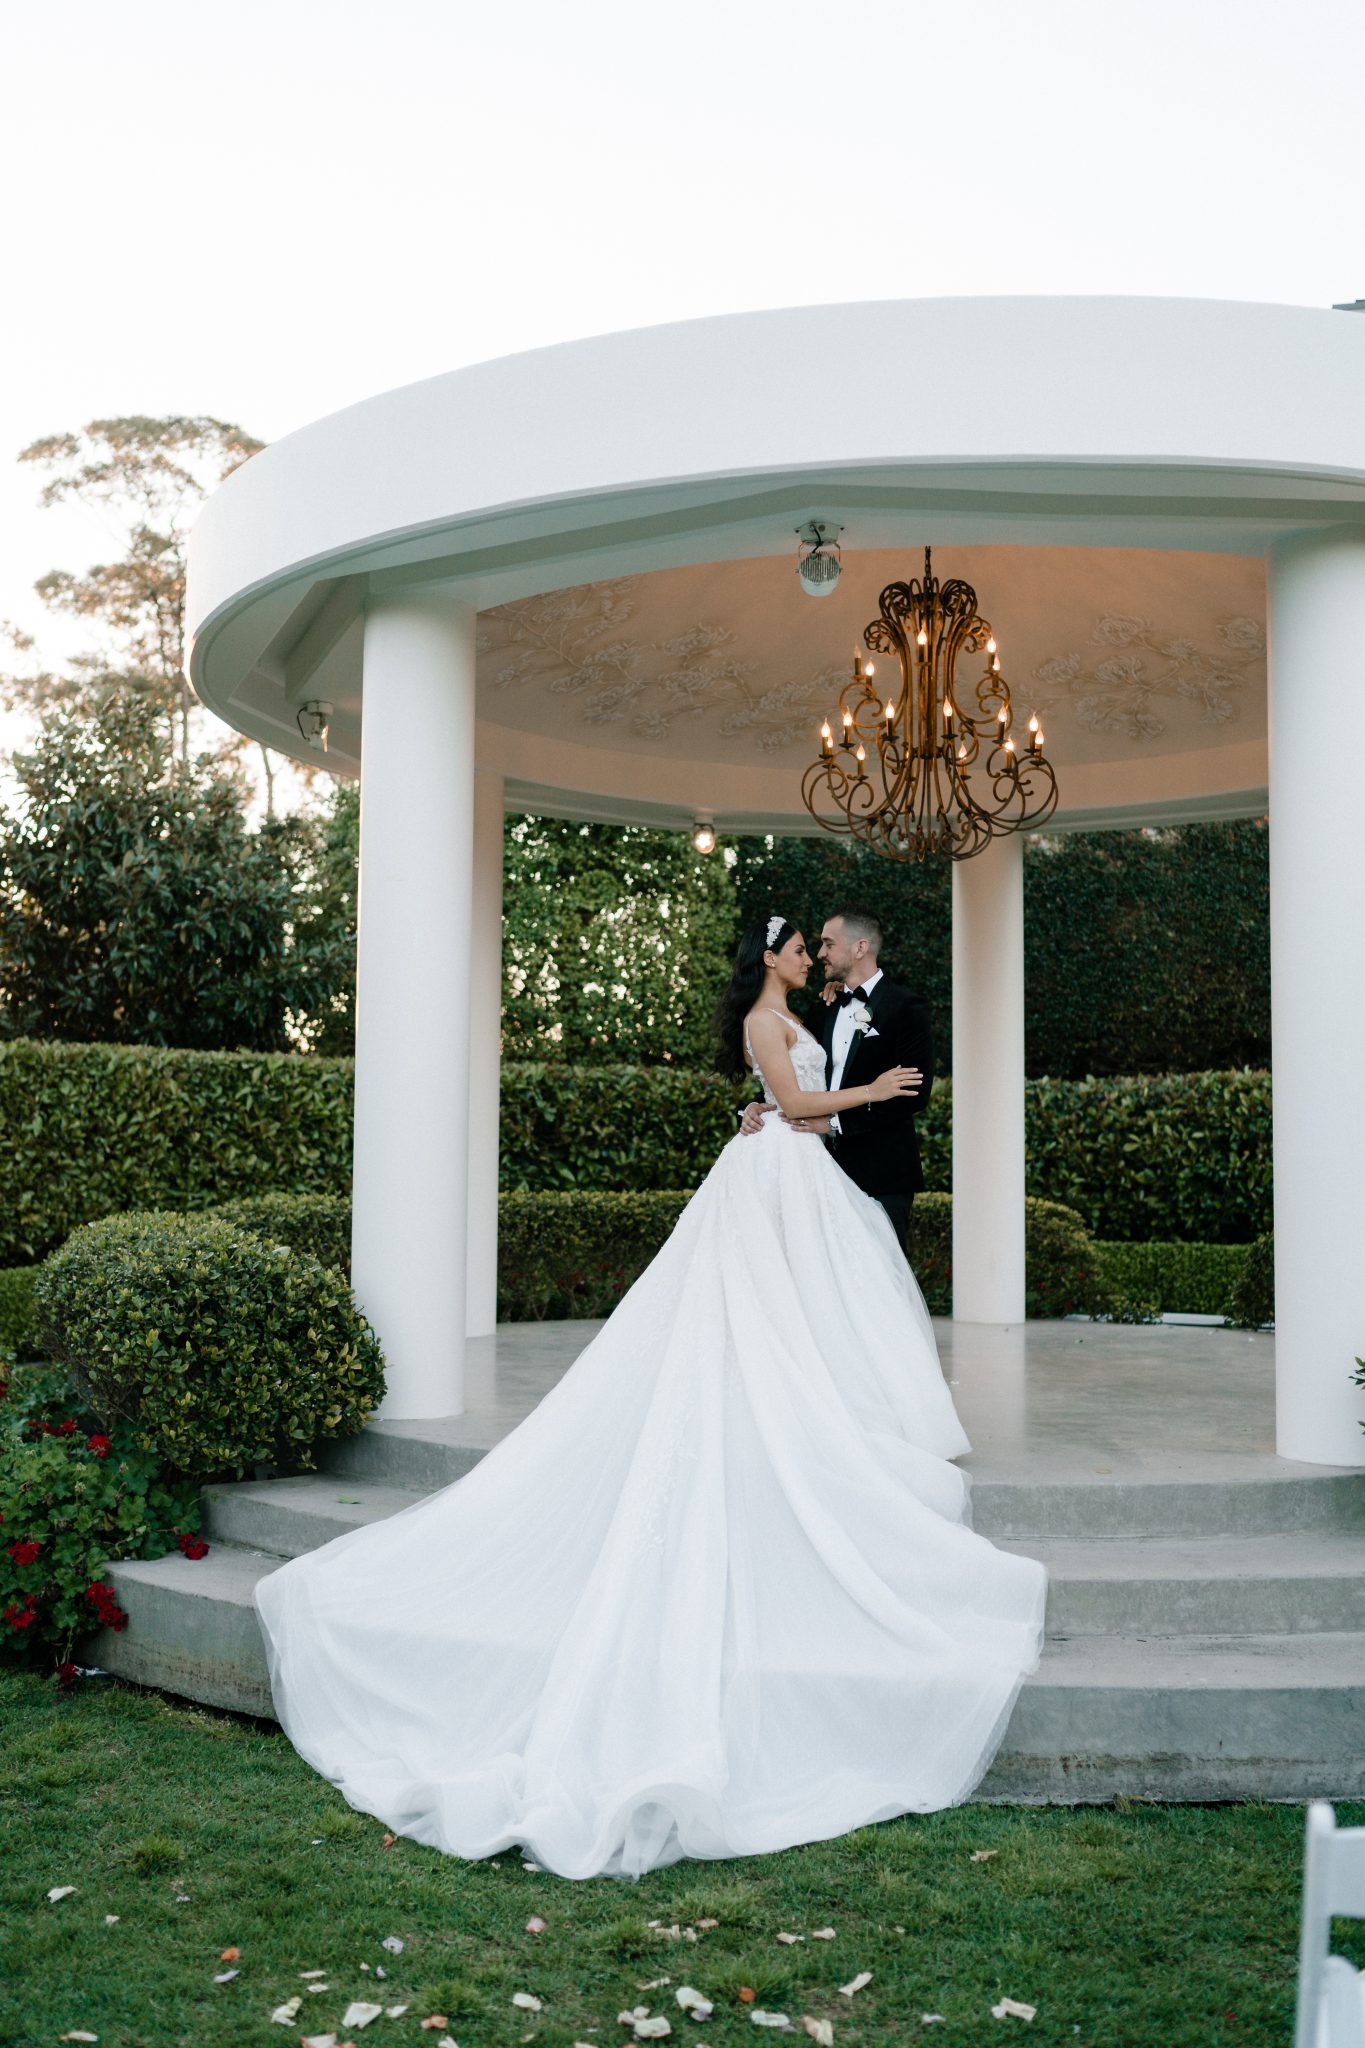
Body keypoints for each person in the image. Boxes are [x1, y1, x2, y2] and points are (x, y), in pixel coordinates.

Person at [254, 914, 1046, 1883]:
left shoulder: (813, 1010)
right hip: (787, 1162)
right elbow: (792, 1096)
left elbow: (782, 1101)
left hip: (802, 1165)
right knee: (765, 1310)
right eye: (800, 947)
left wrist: (800, 1106)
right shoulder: (771, 1019)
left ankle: (830, 1406)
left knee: (812, 1306)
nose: (809, 957)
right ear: (774, 959)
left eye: (816, 948)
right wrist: (860, 1090)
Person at [740, 905, 932, 1247]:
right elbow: (794, 1073)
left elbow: (913, 1095)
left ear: (859, 948)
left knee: (879, 1281)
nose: (819, 954)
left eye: (828, 944)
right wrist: (758, 1106)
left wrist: (835, 1124)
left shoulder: (907, 1008)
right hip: (817, 1170)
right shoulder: (821, 1007)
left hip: (881, 1173)